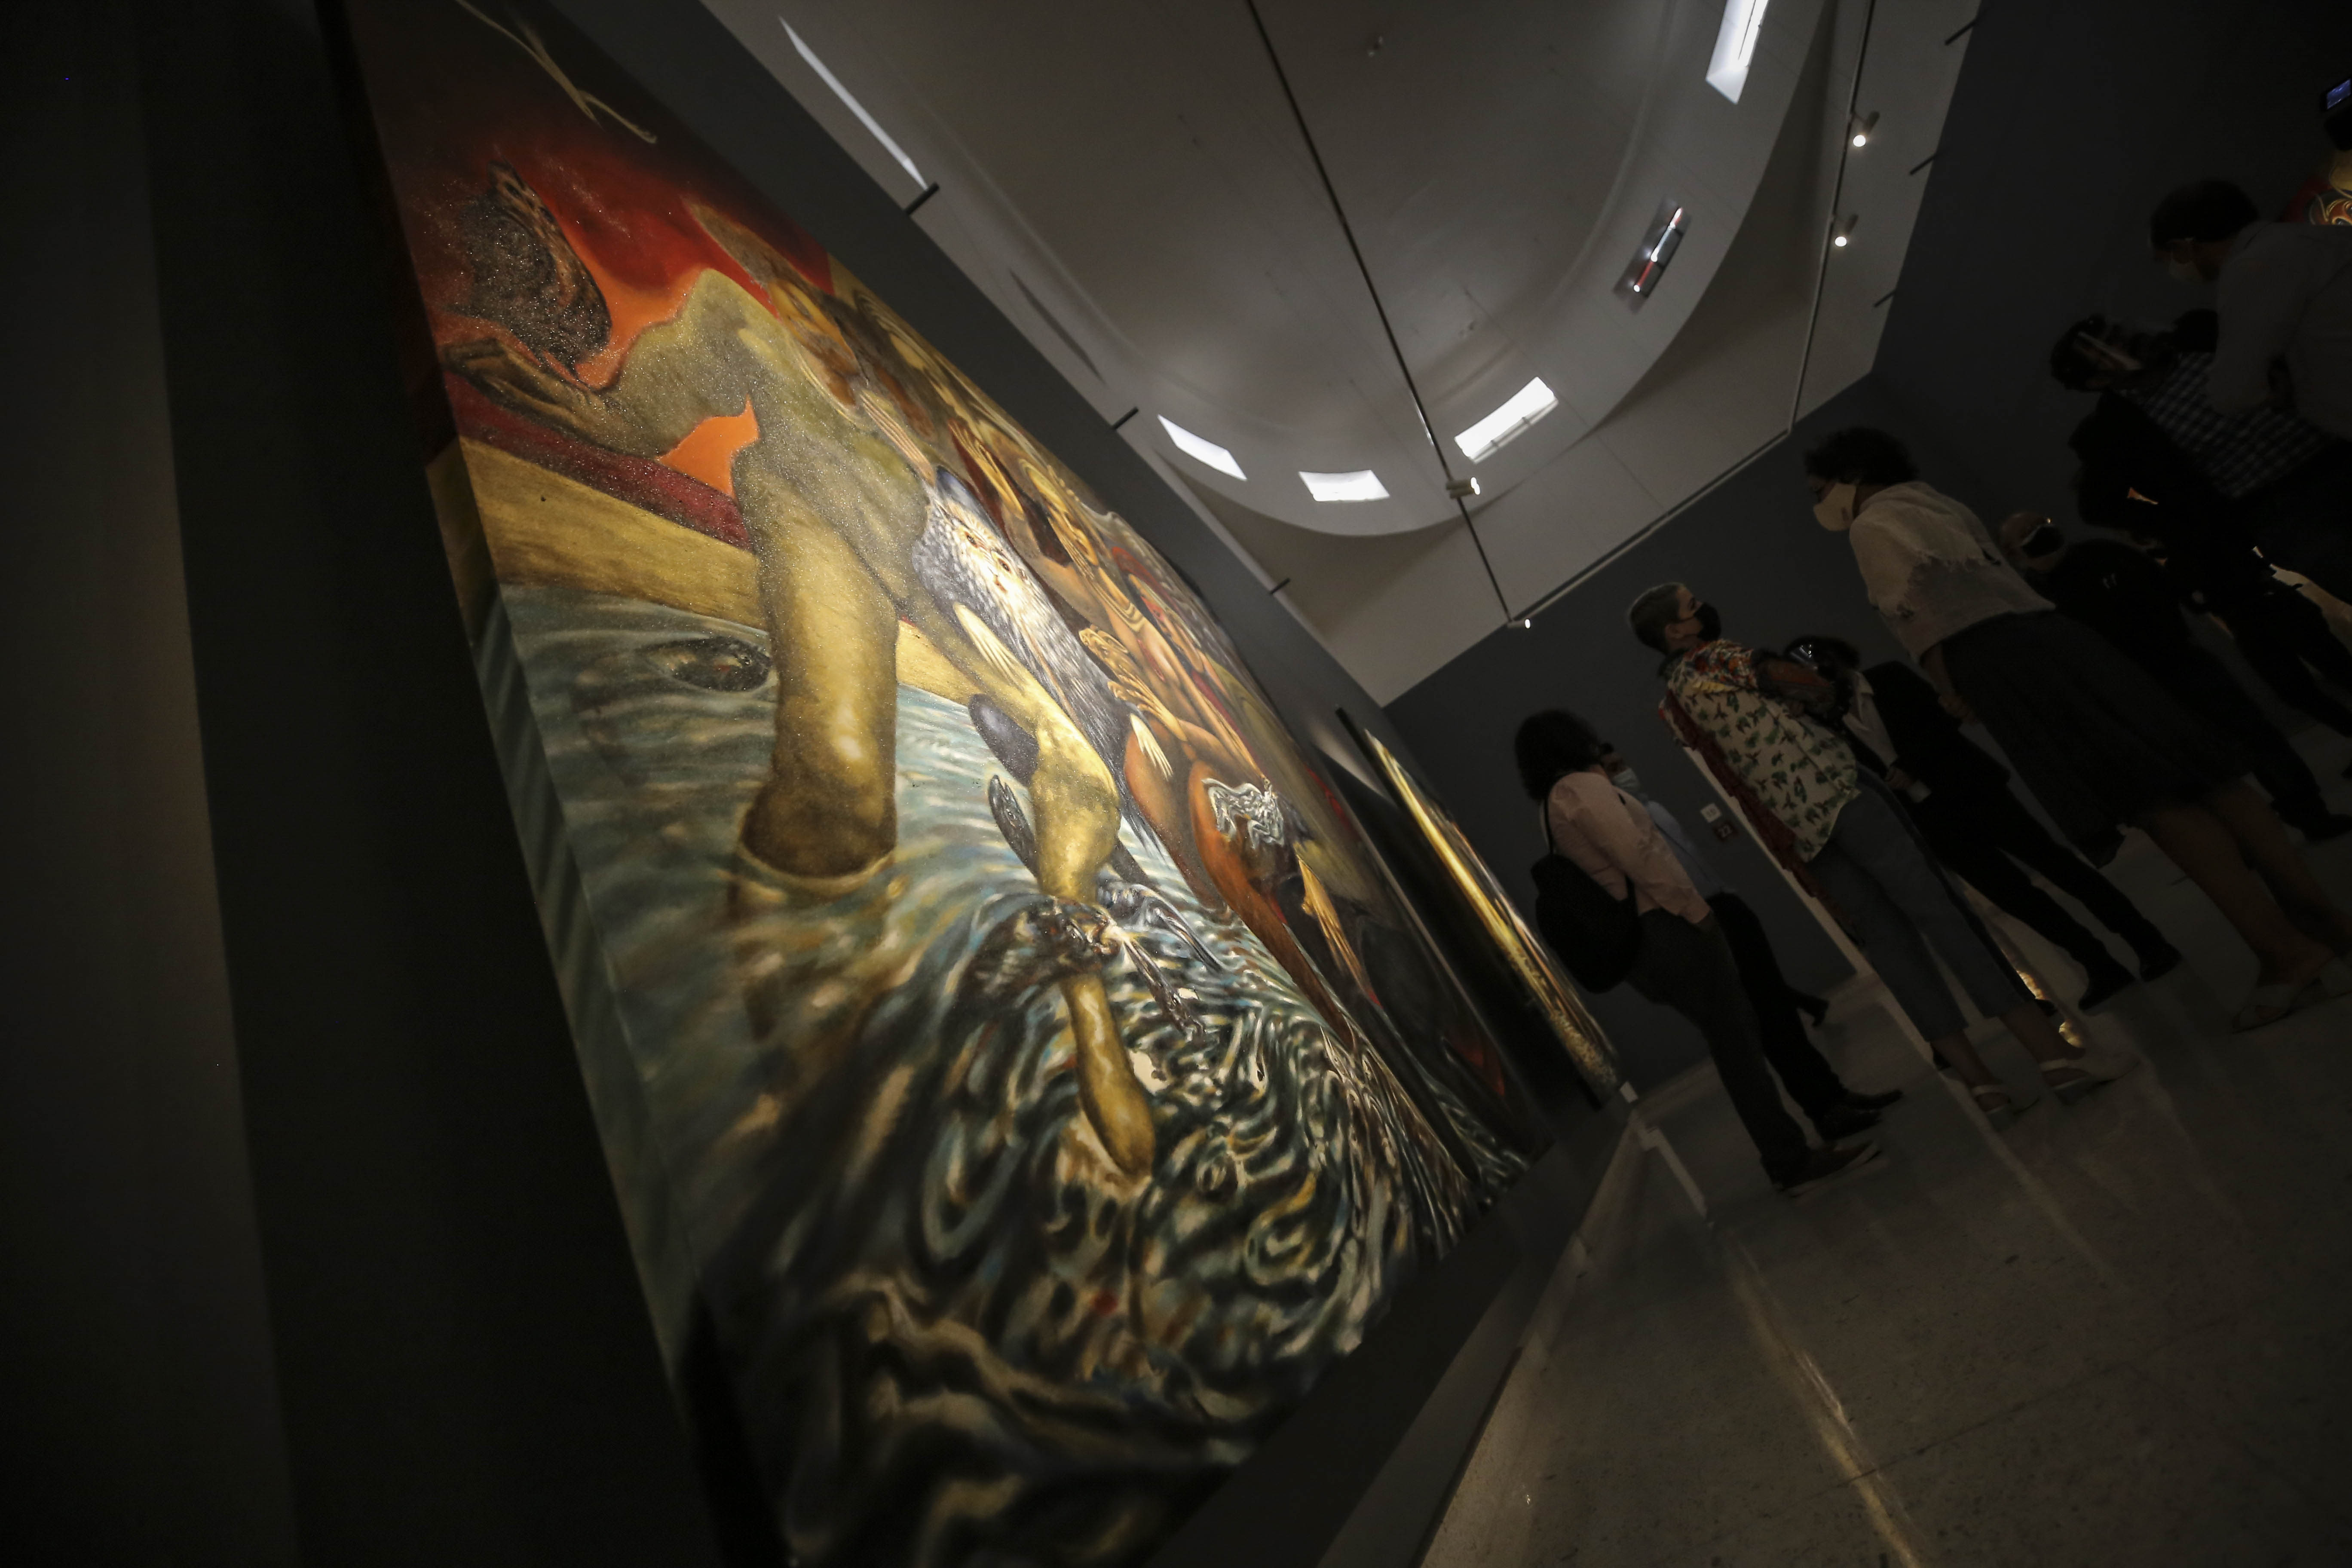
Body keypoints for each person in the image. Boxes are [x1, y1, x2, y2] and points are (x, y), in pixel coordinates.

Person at [1802, 425, 2352, 1030]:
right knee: (2208, 778)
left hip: (2004, 661)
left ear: (1851, 475)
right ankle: (2324, 922)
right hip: (2059, 639)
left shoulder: (1872, 524)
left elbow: (1918, 613)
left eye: (1819, 488)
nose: (1819, 502)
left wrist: (1949, 685)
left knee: (2154, 798)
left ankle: (2284, 953)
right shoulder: (1933, 499)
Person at [1624, 585, 2118, 1121]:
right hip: (1842, 794)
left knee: (1889, 947)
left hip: (1798, 829)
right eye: (1692, 606)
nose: (1703, 608)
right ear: (1676, 631)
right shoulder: (1718, 655)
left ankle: (1984, 1088)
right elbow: (1811, 684)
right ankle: (2053, 1058)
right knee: (1945, 917)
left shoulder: (1674, 700)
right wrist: (1805, 697)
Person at [1516, 712, 1878, 1193]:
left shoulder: (1552, 804)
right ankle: (1788, 1159)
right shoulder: (1581, 789)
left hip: (1645, 942)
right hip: (1667, 928)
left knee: (1735, 1040)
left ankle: (1789, 1153)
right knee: (1737, 1044)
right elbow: (1639, 855)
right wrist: (1696, 913)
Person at [1786, 636, 2183, 1010]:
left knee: (2058, 865)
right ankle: (2097, 963)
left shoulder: (1889, 677)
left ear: (1836, 660)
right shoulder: (1828, 723)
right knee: (2015, 897)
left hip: (1974, 789)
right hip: (1932, 820)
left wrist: (1911, 765)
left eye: (1817, 669)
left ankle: (2147, 940)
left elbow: (1941, 721)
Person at [1595, 740, 1900, 1137]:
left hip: (1725, 905)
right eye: (1613, 768)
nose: (1624, 772)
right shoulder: (1621, 827)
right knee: (1769, 1017)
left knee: (1780, 1009)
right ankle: (1824, 1109)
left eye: (1623, 763)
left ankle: (1833, 1093)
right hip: (1705, 918)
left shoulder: (1652, 808)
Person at [1994, 514, 2352, 842]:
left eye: (2042, 524)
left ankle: (2309, 814)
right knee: (2195, 770)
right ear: (2012, 552)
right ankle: (2245, 842)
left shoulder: (2103, 554)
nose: (2042, 532)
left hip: (2182, 663)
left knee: (2256, 736)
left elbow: (2162, 587)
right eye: (2029, 533)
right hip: (2134, 690)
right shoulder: (2034, 599)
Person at [2052, 310, 2352, 617]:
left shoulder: (2203, 338)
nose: (2129, 339)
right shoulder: (2119, 429)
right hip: (2286, 512)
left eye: (2118, 333)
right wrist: (2191, 522)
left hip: (2336, 453)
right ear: (2099, 379)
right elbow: (2099, 503)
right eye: (2110, 347)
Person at [2151, 179, 2352, 441]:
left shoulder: (2252, 269)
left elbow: (2232, 393)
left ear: (2182, 247)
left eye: (2168, 262)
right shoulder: (2316, 237)